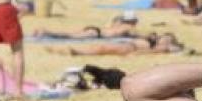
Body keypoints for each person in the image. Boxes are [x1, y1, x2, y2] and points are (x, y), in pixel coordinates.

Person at [47, 32, 185, 57]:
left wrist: (136, 53)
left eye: (166, 38)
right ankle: (76, 51)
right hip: (128, 44)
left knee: (102, 49)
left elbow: (152, 52)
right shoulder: (159, 42)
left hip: (130, 47)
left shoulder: (164, 47)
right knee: (100, 48)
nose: (162, 38)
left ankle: (78, 52)